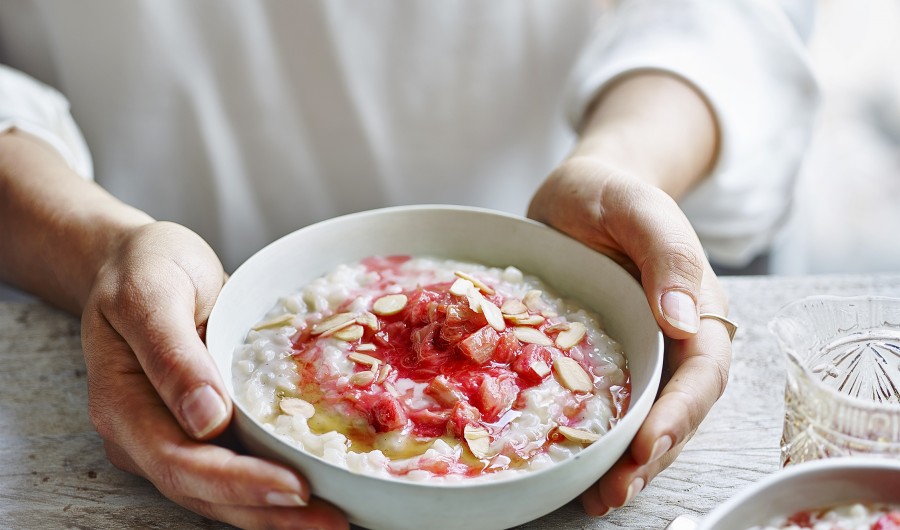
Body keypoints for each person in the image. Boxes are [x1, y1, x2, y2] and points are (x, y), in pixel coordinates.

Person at [0, 1, 817, 529]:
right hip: (145, 254)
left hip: (566, 225)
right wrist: (100, 249)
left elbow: (728, 20)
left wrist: (627, 165)